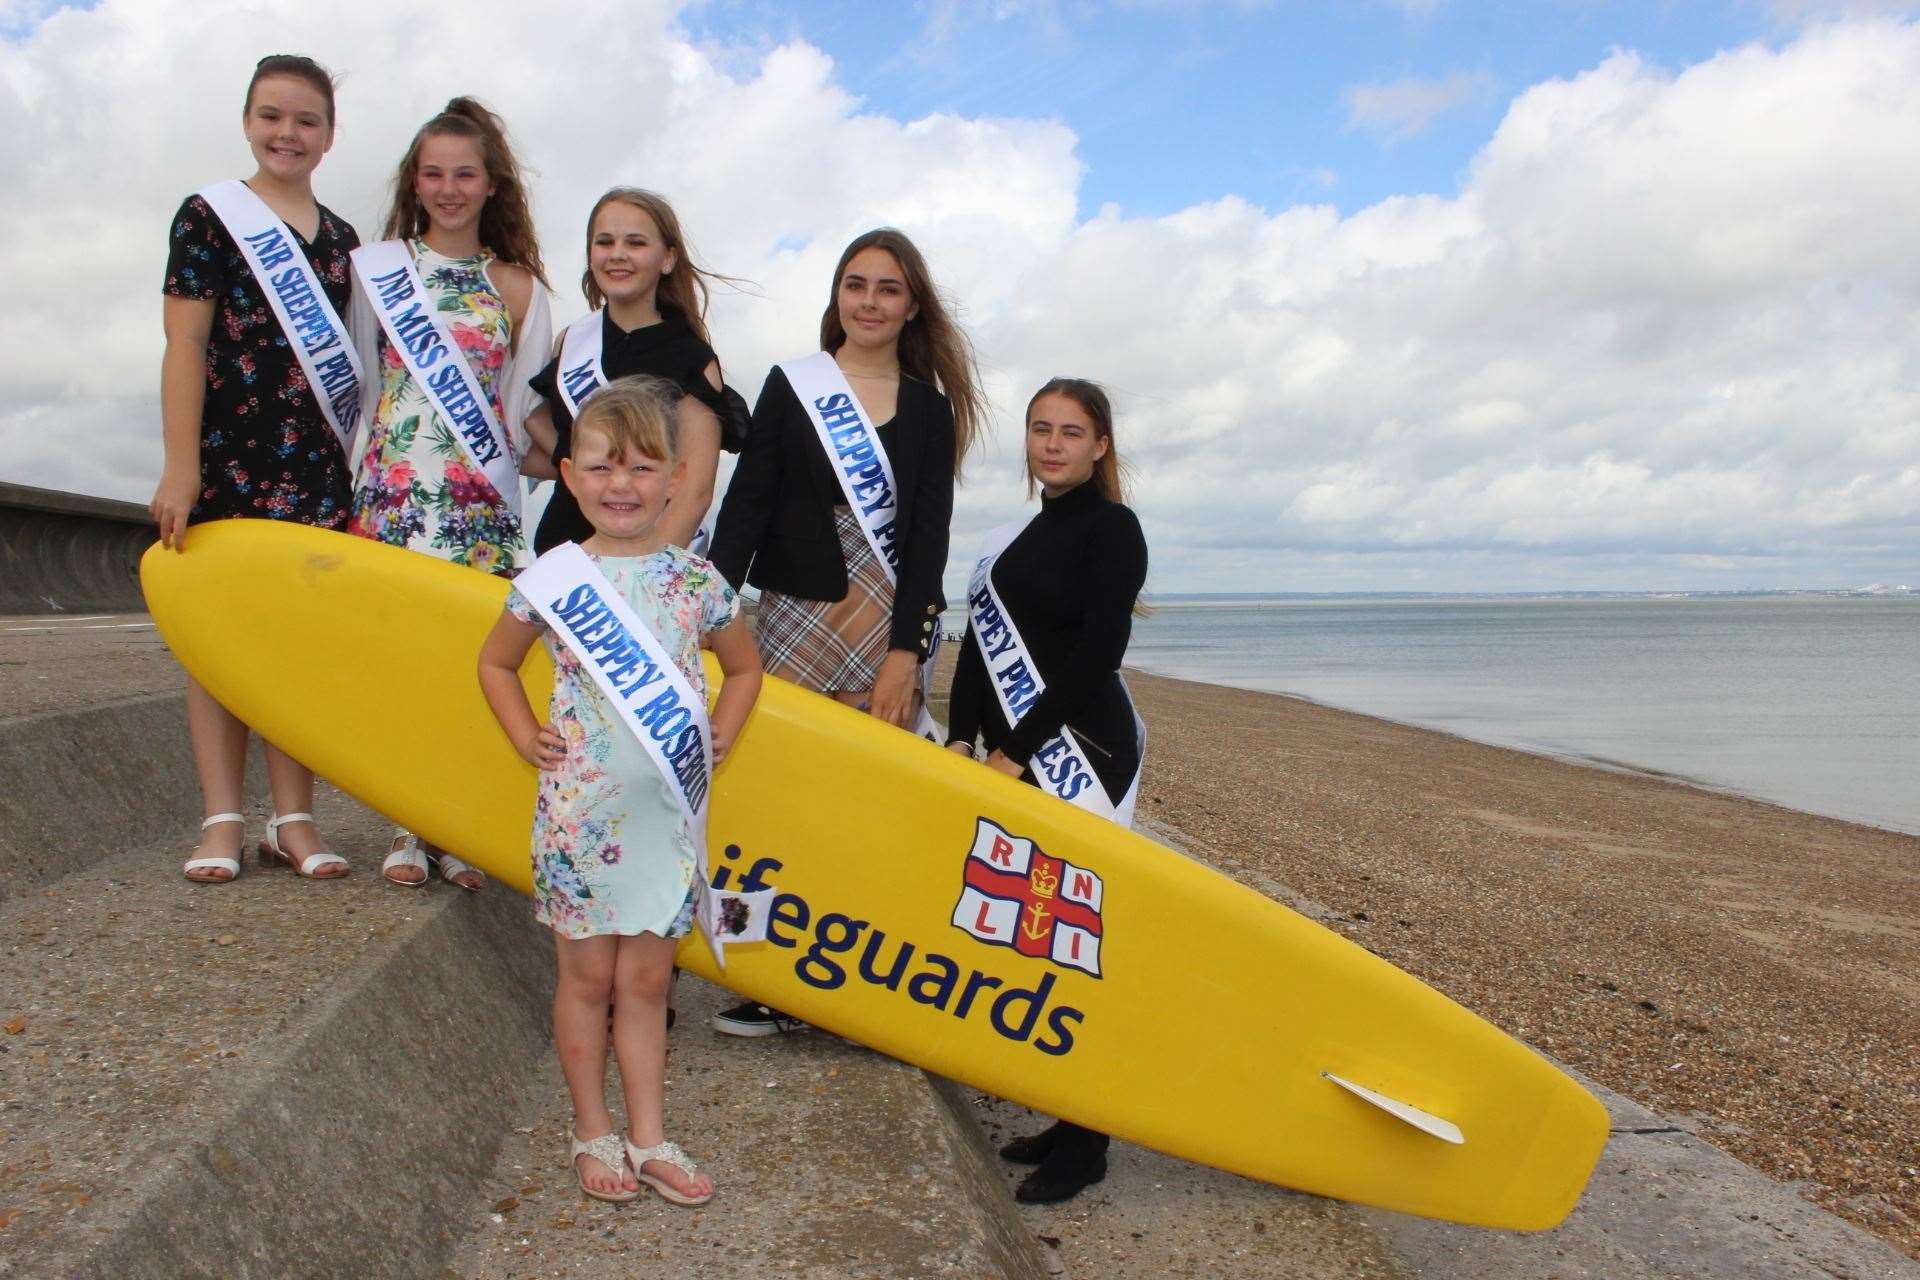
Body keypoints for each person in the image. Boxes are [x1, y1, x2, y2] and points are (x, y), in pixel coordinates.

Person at [478, 377, 762, 1206]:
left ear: (675, 478)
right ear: (569, 476)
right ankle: (590, 1129)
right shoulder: (555, 578)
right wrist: (522, 729)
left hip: (666, 823)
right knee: (587, 983)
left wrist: (726, 726)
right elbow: (495, 662)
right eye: (604, 467)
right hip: (578, 819)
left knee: (646, 985)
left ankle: (648, 1136)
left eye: (642, 468)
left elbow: (743, 669)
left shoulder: (696, 582)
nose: (622, 485)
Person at [706, 226, 986, 1037]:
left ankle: (855, 981)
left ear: (911, 306)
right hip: (796, 607)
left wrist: (909, 651)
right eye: (856, 285)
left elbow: (929, 534)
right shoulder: (794, 386)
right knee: (777, 792)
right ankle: (767, 978)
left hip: (886, 613)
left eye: (888, 288)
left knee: (867, 803)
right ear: (837, 297)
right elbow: (748, 502)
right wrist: (712, 607)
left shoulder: (930, 408)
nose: (870, 301)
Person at [156, 54, 360, 884]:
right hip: (226, 461)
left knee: (297, 647)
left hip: (315, 468)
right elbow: (185, 343)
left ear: (329, 136)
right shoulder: (209, 215)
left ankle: (295, 821)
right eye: (273, 116)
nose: (288, 133)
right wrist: (179, 468)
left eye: (306, 120)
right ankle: (222, 821)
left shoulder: (346, 241)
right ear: (248, 121)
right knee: (217, 643)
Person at [946, 377, 1148, 1204]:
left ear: (1101, 445)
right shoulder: (1009, 538)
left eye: (1071, 432)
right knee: (1030, 933)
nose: (1053, 444)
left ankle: (1089, 1138)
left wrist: (1018, 751)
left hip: (1085, 754)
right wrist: (961, 738)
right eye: (1040, 429)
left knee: (1075, 943)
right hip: (1010, 753)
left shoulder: (1115, 530)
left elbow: (1098, 651)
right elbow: (970, 648)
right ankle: (1063, 1113)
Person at [346, 97, 553, 891]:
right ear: (415, 181)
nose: (448, 188)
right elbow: (363, 384)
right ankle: (407, 825)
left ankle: (459, 825)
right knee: (403, 663)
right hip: (396, 493)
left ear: (491, 183)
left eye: (464, 173)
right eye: (433, 173)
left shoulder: (518, 287)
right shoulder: (378, 269)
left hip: (478, 503)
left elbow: (525, 408)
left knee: (474, 662)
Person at [526, 188, 749, 555]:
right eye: (604, 242)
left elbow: (694, 493)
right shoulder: (572, 340)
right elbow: (555, 438)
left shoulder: (691, 357)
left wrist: (642, 577)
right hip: (563, 553)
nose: (617, 254)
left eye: (636, 243)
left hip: (643, 565)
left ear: (667, 258)